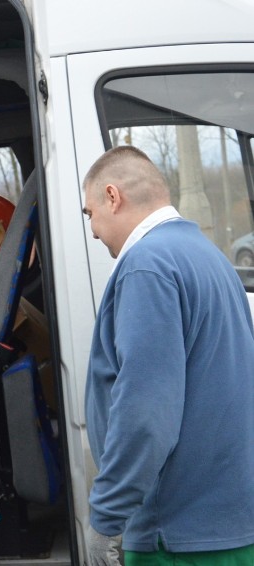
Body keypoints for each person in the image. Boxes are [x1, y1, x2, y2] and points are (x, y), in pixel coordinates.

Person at [82, 146, 254, 566]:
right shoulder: (209, 257)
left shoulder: (147, 265)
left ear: (112, 196)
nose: (93, 231)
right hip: (228, 525)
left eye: (89, 214)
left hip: (177, 535)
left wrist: (107, 516)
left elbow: (145, 411)